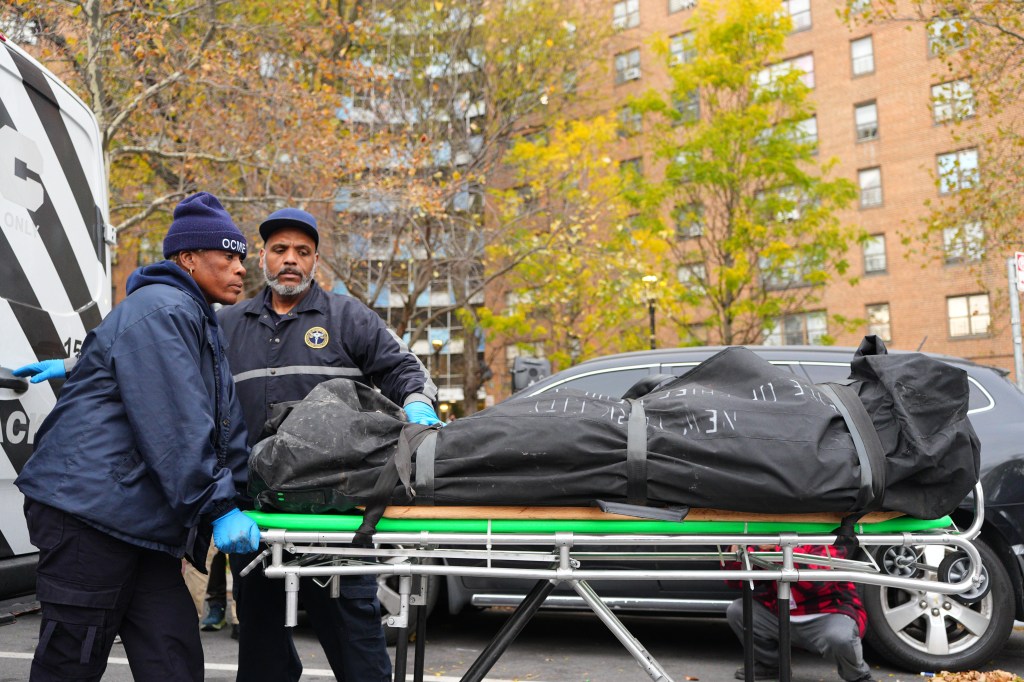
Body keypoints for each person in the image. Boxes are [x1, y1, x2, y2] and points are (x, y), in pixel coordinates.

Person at [12, 192, 261, 681]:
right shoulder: (163, 310)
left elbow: (221, 421)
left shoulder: (194, 318)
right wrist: (219, 506)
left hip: (141, 524)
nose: (239, 269)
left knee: (174, 659)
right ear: (188, 259)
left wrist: (245, 495)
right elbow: (175, 423)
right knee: (72, 662)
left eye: (242, 259)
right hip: (91, 515)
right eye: (227, 257)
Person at [220, 207, 440, 682]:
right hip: (255, 517)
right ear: (262, 257)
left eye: (302, 251)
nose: (290, 260)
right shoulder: (228, 324)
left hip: (334, 519)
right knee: (262, 657)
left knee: (357, 651)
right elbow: (170, 370)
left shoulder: (346, 317)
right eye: (280, 250)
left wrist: (419, 403)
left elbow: (403, 369)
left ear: (316, 260)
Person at [724, 543, 874, 682]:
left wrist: (779, 548)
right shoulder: (766, 541)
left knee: (840, 638)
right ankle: (771, 665)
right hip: (782, 612)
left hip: (829, 613)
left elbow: (816, 581)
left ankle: (858, 675)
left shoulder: (826, 537)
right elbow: (736, 582)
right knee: (739, 610)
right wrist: (736, 552)